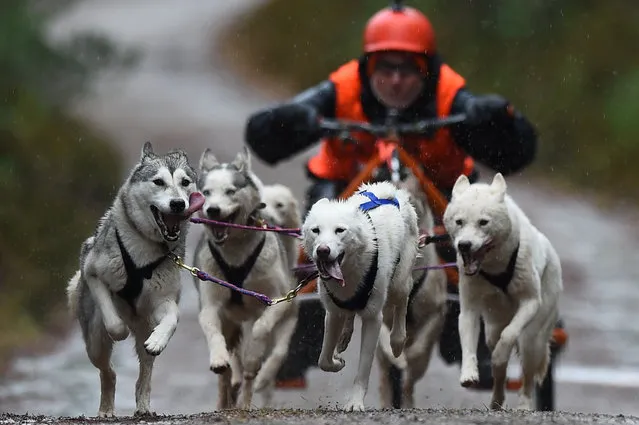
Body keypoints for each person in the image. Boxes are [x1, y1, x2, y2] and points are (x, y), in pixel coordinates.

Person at [243, 2, 554, 391]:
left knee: (474, 237)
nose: (395, 80)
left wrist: (493, 117)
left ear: (428, 69)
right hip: (344, 189)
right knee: (313, 240)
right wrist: (294, 118)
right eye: (384, 68)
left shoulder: (450, 92)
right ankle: (296, 335)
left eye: (408, 69)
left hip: (436, 190)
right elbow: (263, 133)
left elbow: (519, 150)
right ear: (367, 67)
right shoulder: (341, 87)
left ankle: (485, 334)